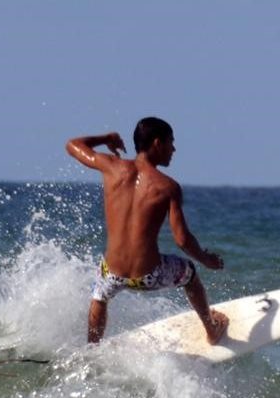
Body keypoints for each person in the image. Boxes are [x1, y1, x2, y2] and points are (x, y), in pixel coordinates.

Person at [66, 116, 229, 345]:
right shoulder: (167, 187)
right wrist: (207, 259)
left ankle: (91, 348)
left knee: (100, 295)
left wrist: (106, 138)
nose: (174, 149)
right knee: (190, 273)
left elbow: (72, 145)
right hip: (149, 276)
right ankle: (211, 329)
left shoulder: (111, 166)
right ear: (157, 143)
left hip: (113, 273)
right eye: (171, 142)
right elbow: (182, 239)